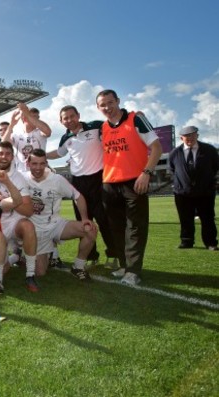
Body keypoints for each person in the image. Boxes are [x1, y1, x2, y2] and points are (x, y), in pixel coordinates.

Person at [96, 89, 162, 285]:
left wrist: (146, 173)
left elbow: (157, 148)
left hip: (135, 182)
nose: (107, 107)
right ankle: (124, 266)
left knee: (135, 228)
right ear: (98, 108)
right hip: (109, 184)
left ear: (118, 101)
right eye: (103, 105)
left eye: (110, 102)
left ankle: (133, 272)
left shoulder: (136, 119)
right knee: (116, 228)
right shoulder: (103, 129)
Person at [47, 105, 118, 267]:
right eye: (65, 118)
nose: (69, 120)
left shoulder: (95, 126)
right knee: (83, 221)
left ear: (78, 115)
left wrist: (133, 118)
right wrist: (41, 155)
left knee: (104, 219)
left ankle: (113, 255)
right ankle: (92, 256)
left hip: (98, 180)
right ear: (61, 121)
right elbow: (59, 153)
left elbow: (115, 124)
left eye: (72, 116)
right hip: (78, 184)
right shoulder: (65, 138)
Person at [24, 149, 98, 279]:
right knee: (40, 272)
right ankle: (22, 254)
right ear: (28, 164)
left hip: (55, 225)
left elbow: (78, 196)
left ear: (46, 163)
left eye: (42, 164)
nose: (38, 168)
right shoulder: (21, 179)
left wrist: (85, 218)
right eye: (34, 163)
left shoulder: (57, 179)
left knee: (90, 230)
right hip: (35, 230)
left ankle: (78, 267)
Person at [0, 141, 40, 292]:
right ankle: (11, 261)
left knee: (28, 225)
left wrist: (6, 193)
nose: (4, 157)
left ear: (12, 157)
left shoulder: (18, 178)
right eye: (0, 153)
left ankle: (30, 274)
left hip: (14, 221)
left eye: (8, 154)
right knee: (1, 267)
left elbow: (29, 211)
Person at [168, 126, 219, 250]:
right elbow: (172, 170)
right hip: (182, 193)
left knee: (207, 218)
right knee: (185, 218)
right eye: (187, 136)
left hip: (205, 192)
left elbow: (216, 167)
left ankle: (211, 243)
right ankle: (186, 241)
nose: (190, 138)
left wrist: (211, 183)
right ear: (181, 138)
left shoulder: (209, 150)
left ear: (197, 135)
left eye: (192, 135)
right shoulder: (175, 153)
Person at [2, 103, 51, 173]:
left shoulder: (39, 132)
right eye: (33, 117)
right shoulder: (16, 135)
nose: (36, 120)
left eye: (37, 117)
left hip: (39, 173)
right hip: (22, 174)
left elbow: (48, 131)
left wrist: (27, 114)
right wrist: (11, 124)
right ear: (24, 118)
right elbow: (3, 144)